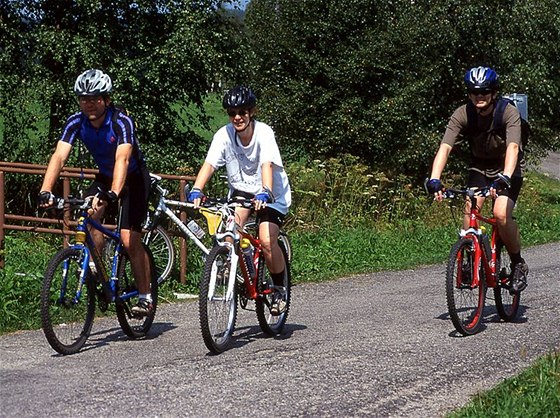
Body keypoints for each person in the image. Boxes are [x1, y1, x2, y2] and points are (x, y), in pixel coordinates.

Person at [38, 69, 154, 316]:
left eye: (94, 98)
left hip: (133, 178)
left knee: (128, 239)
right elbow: (59, 156)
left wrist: (114, 193)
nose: (88, 103)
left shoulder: (121, 121)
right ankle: (95, 266)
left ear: (106, 100)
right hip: (105, 175)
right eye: (83, 98)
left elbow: (122, 158)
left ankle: (145, 295)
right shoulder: (76, 122)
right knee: (88, 215)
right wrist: (46, 190)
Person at [188, 86, 292, 314]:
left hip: (271, 193)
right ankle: (243, 269)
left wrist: (265, 191)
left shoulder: (264, 133)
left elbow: (267, 164)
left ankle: (278, 288)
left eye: (242, 112)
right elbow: (210, 164)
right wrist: (197, 189)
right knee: (228, 234)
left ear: (251, 112)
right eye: (232, 113)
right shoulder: (223, 135)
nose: (237, 117)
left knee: (265, 240)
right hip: (242, 192)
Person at [426, 66, 528, 293]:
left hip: (508, 168)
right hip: (480, 167)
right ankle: (470, 259)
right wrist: (434, 179)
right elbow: (445, 147)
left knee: (500, 214)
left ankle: (517, 263)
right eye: (474, 92)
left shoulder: (508, 112)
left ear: (493, 92)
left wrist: (505, 177)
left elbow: (512, 147)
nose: (479, 96)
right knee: (470, 206)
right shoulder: (463, 113)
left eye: (484, 92)